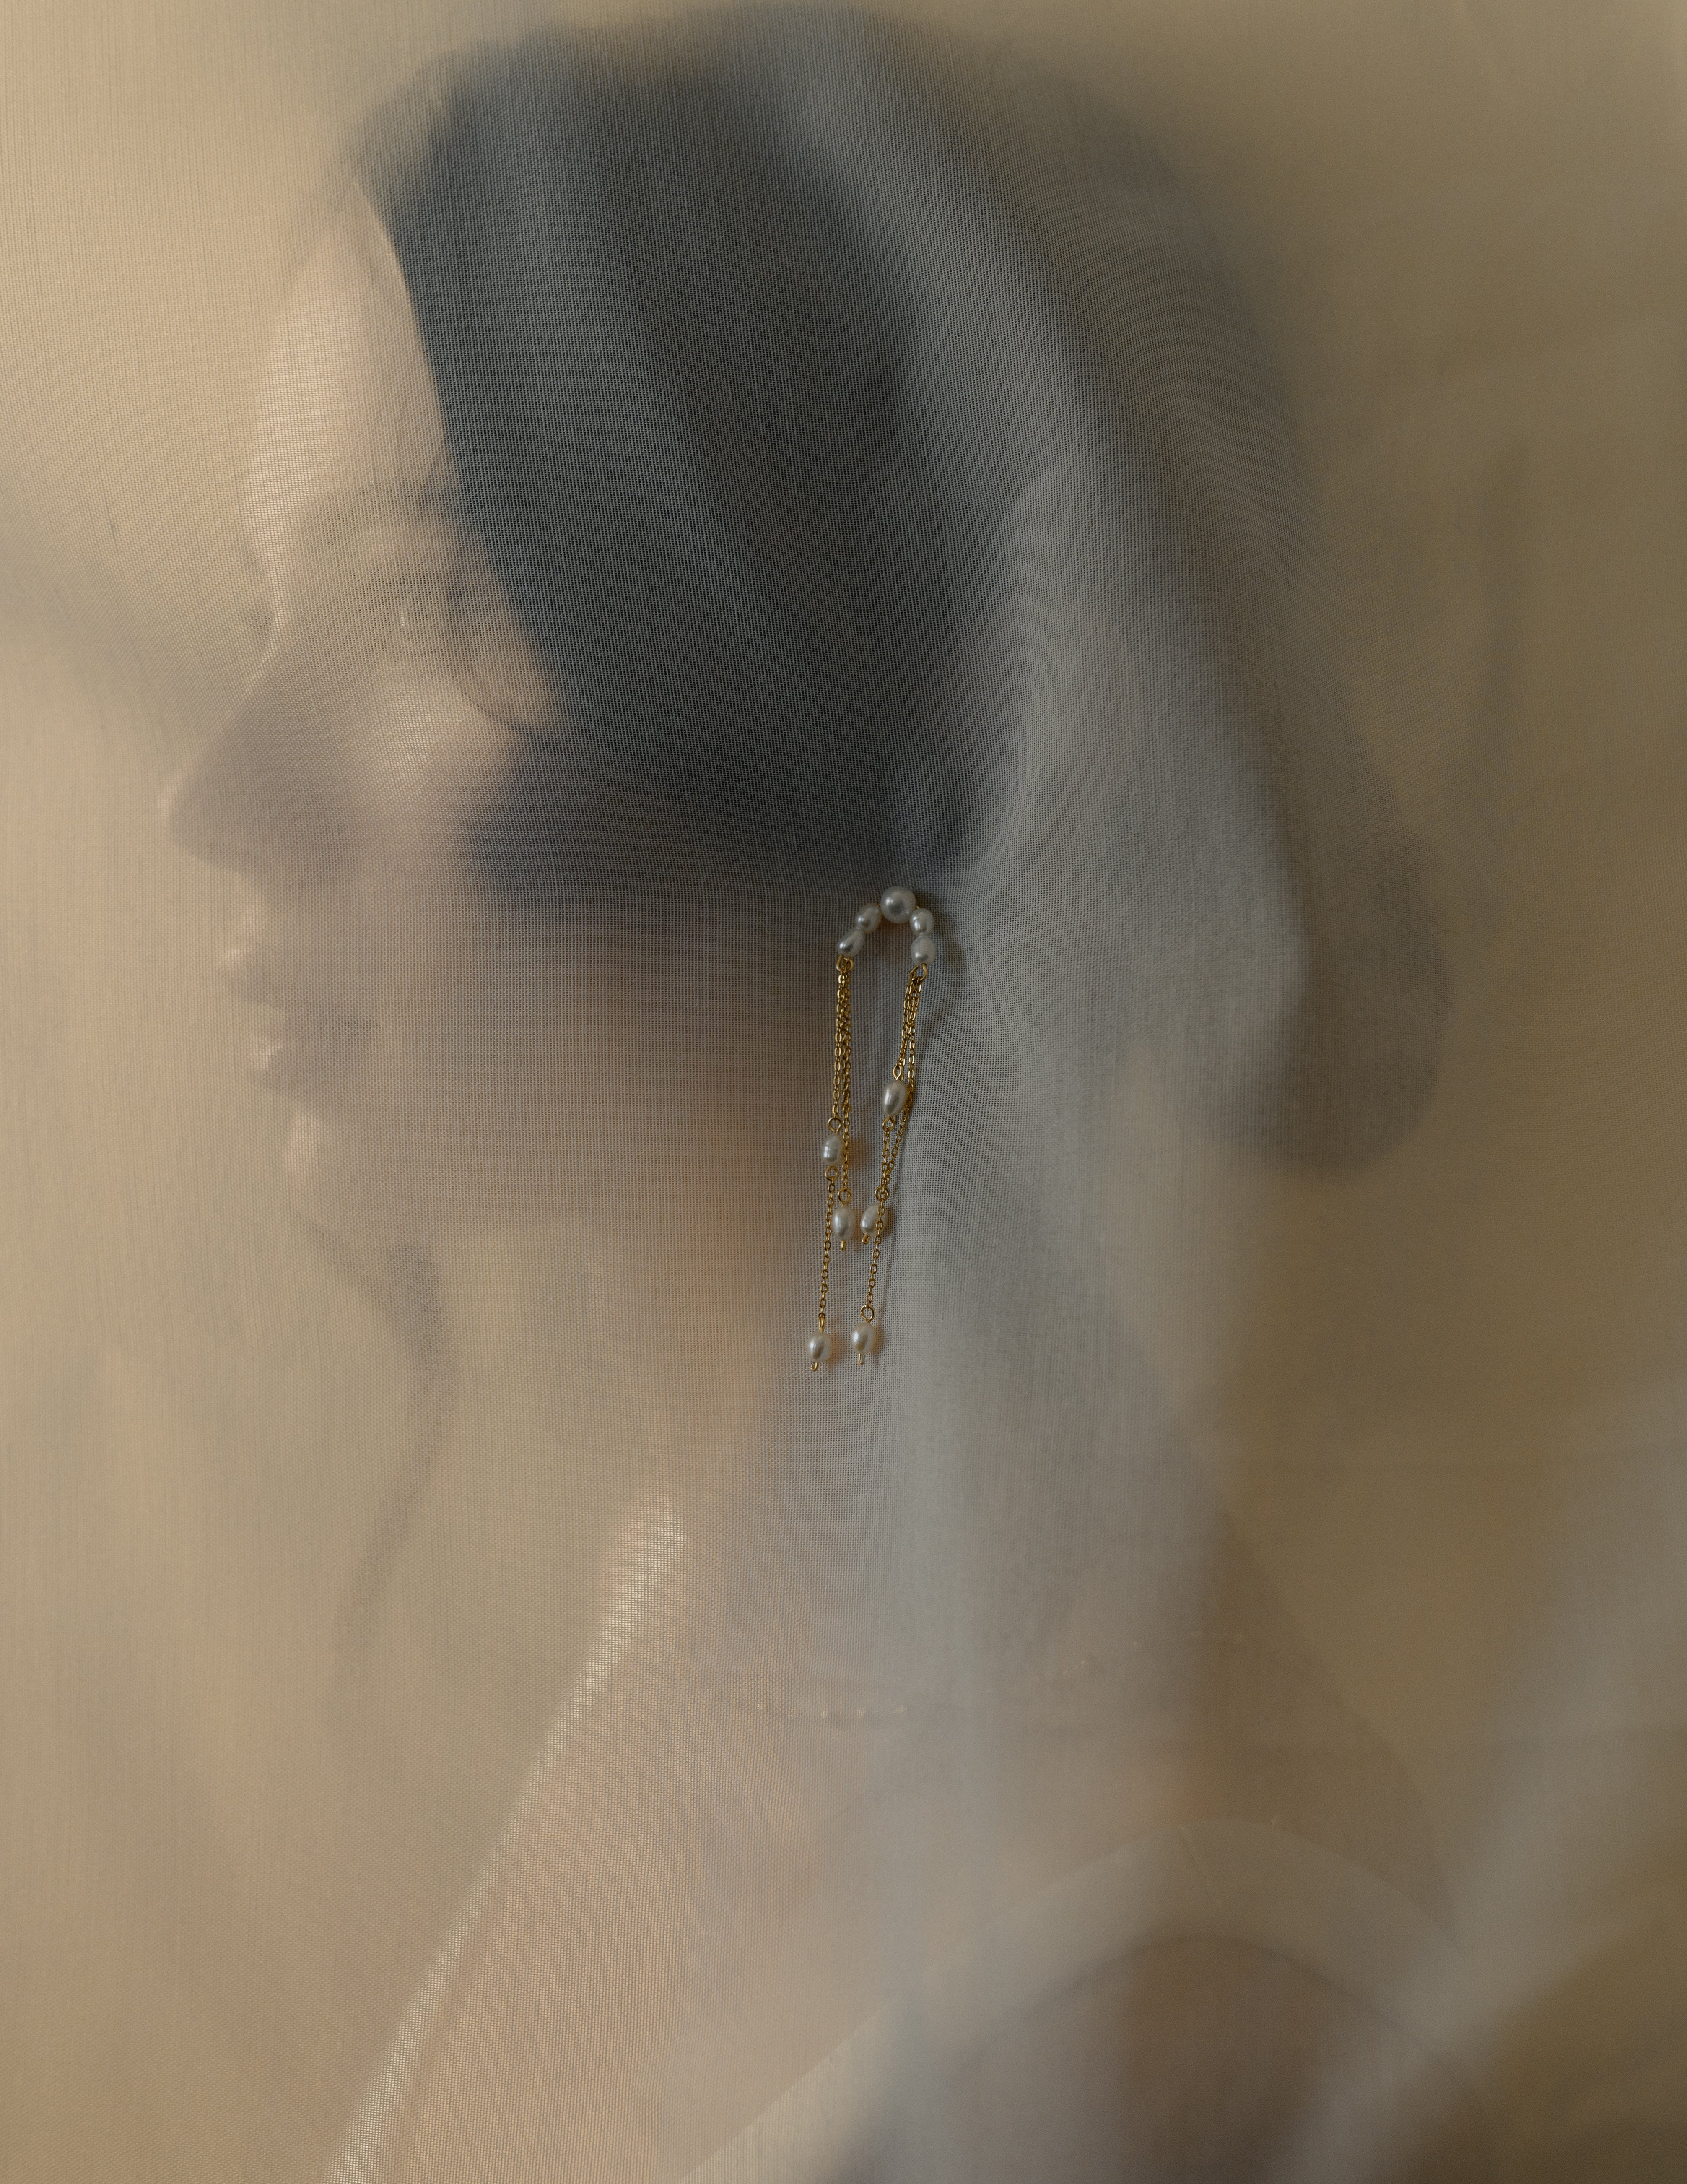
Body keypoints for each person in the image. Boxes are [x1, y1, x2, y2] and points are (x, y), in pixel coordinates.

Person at [163, 5, 1480, 2175]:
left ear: (843, 707)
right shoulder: (687, 1597)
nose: (221, 797)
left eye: (422, 604)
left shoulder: (1127, 1980)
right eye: (252, 620)